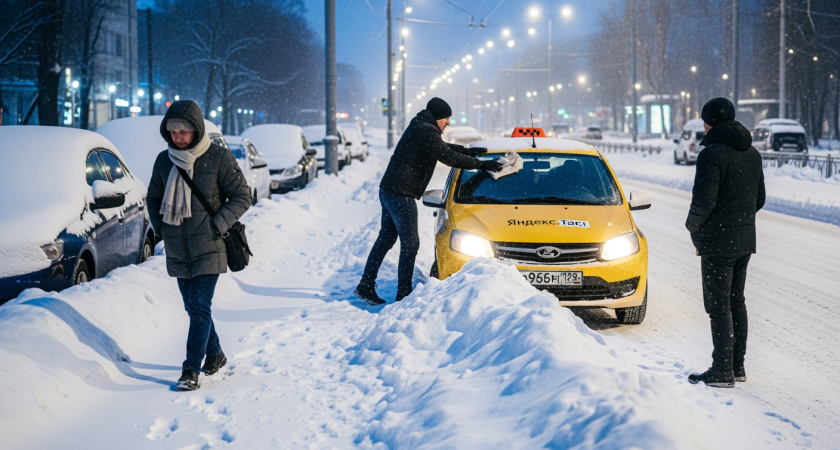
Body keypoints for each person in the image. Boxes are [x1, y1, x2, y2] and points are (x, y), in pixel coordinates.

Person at [354, 97, 503, 305]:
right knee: (410, 243)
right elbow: (447, 156)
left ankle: (366, 285)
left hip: (390, 189)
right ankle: (403, 294)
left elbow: (443, 147)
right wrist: (481, 164)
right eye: (446, 118)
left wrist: (467, 151)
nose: (448, 122)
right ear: (437, 117)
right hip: (400, 193)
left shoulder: (422, 126)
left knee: (387, 238)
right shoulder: (426, 130)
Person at [147, 100, 251, 391]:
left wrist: (217, 224)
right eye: (173, 131)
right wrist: (162, 229)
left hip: (210, 245)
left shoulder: (218, 157)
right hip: (178, 248)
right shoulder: (163, 160)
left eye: (184, 131)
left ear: (197, 129)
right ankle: (215, 353)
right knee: (193, 308)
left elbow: (243, 196)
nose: (178, 137)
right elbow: (153, 197)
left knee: (199, 306)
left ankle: (190, 369)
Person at [685, 97, 766, 388]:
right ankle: (737, 366)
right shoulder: (752, 153)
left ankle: (721, 371)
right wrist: (738, 218)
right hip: (744, 240)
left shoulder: (712, 154)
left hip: (718, 243)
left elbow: (703, 202)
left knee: (718, 306)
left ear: (710, 123)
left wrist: (691, 226)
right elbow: (760, 199)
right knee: (736, 302)